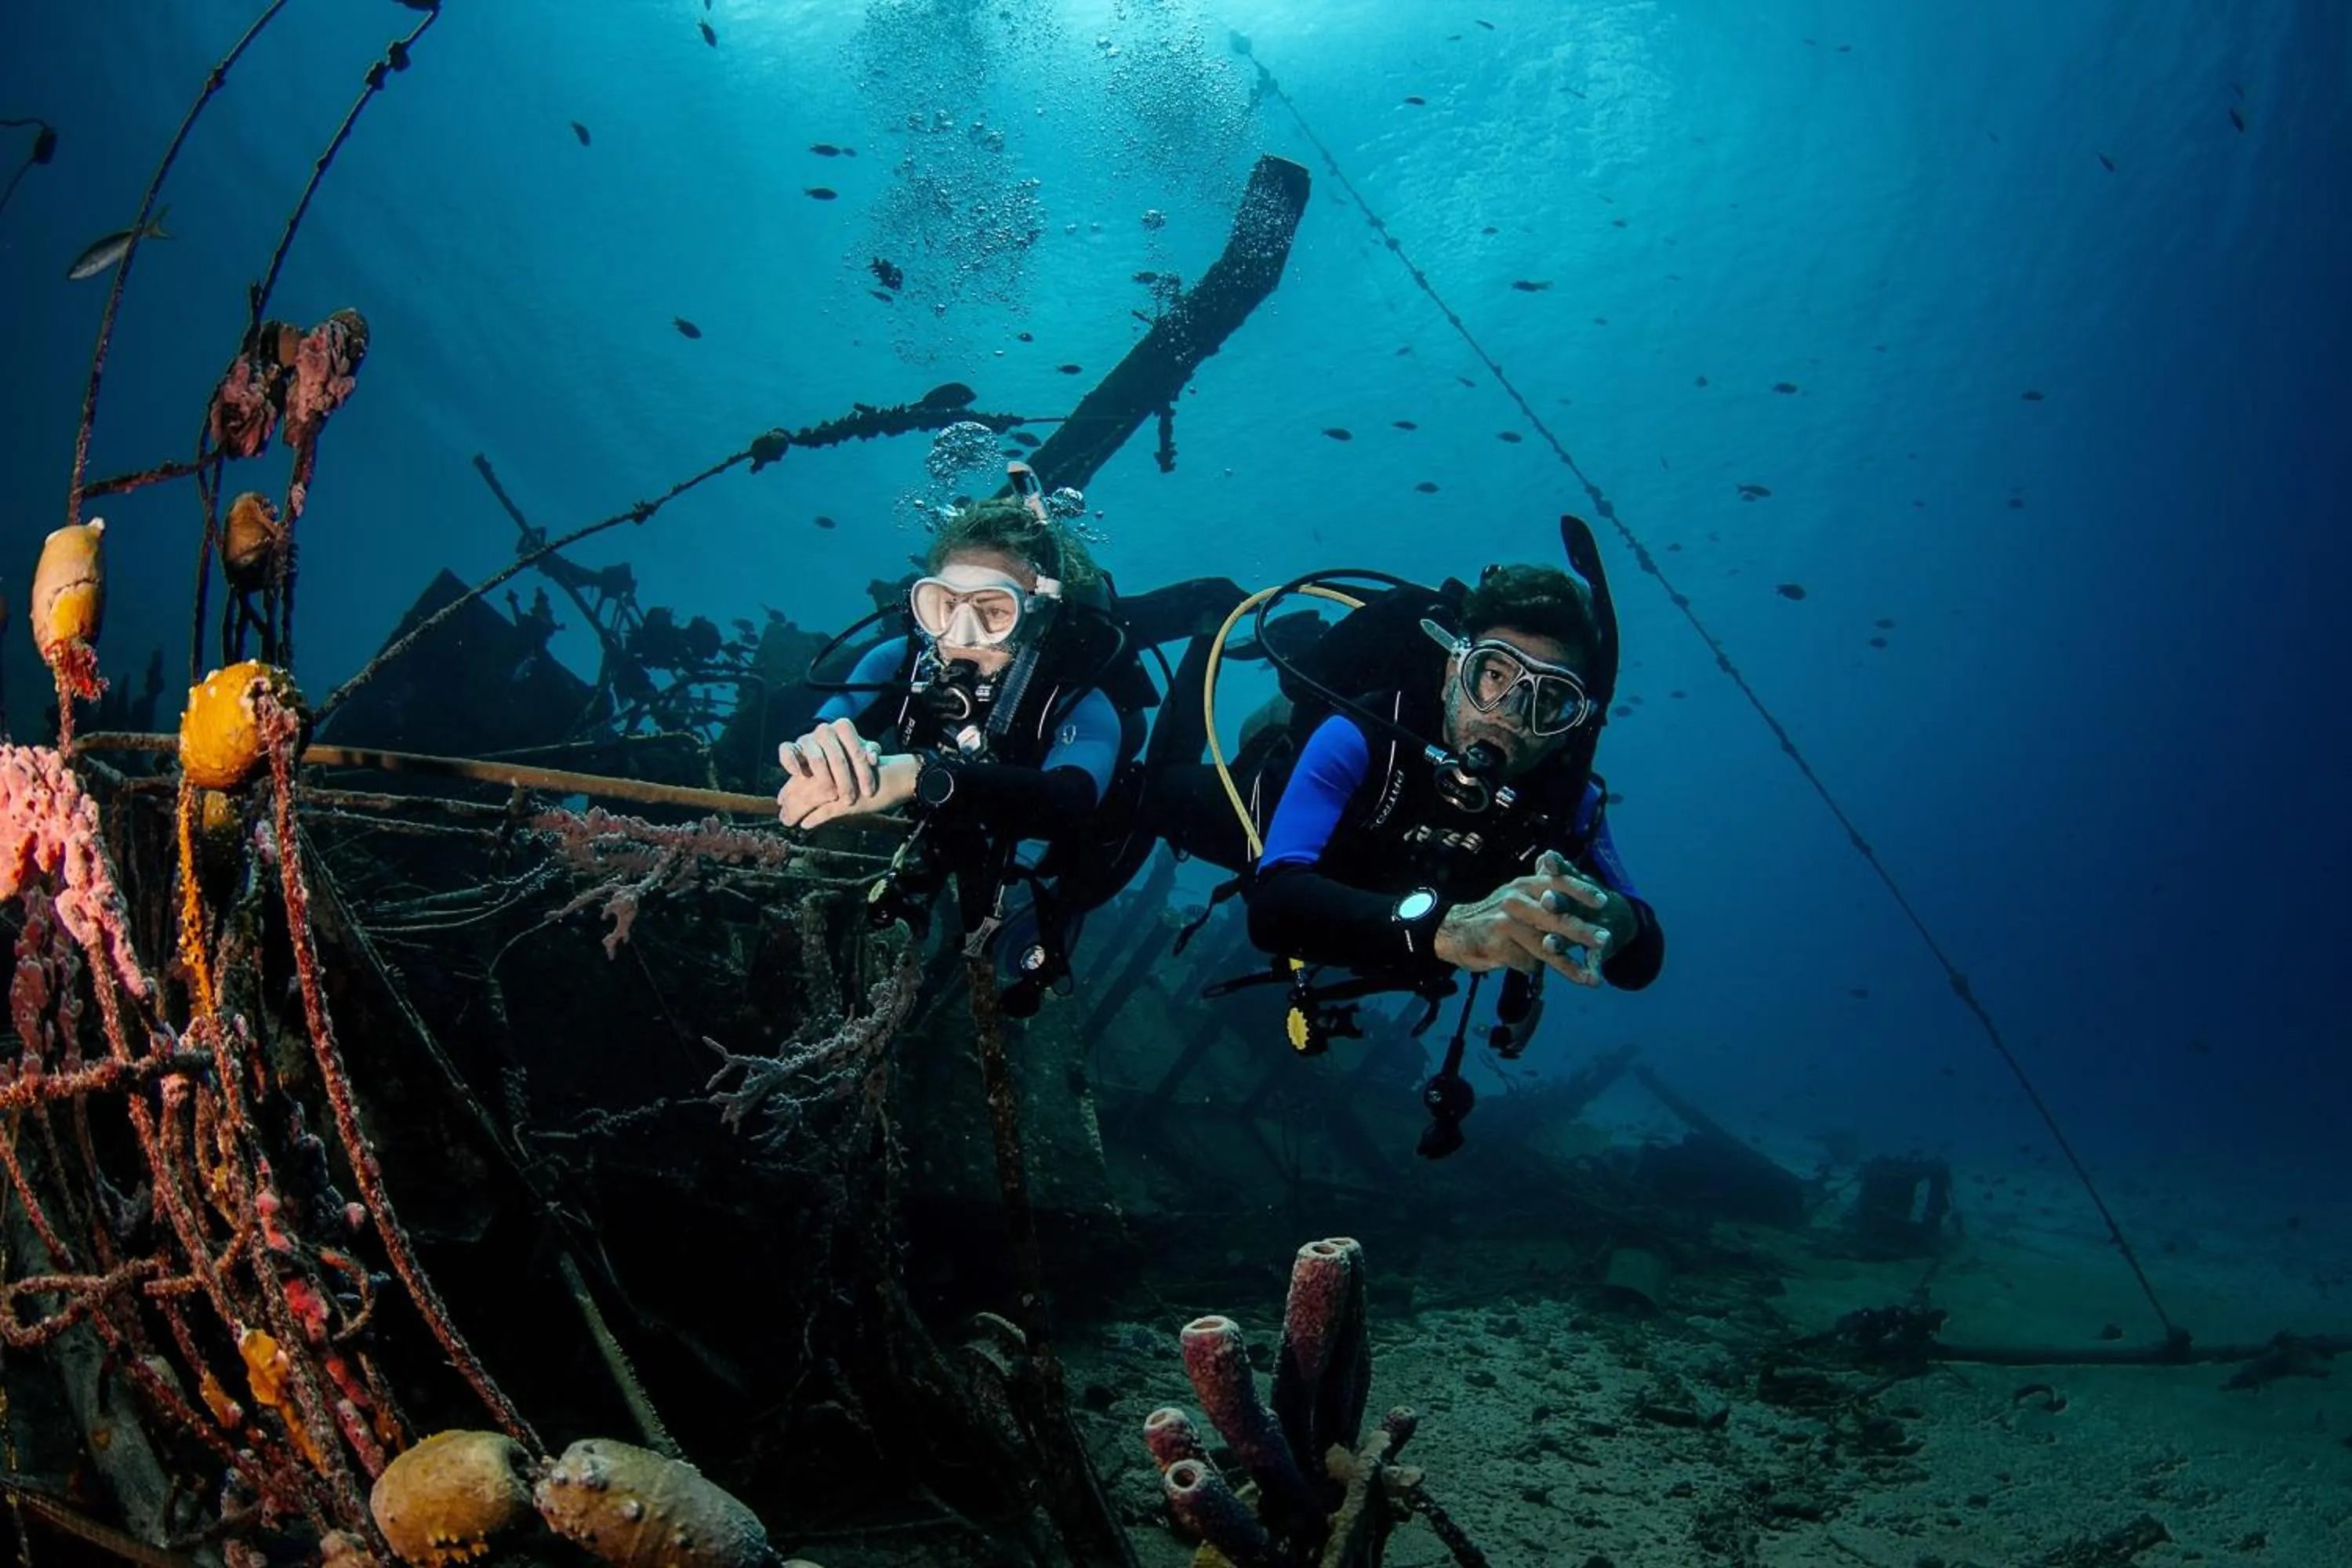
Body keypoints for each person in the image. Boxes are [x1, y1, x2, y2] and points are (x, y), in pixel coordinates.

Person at [1245, 561, 1665, 1000]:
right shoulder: (1365, 732)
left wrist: (1619, 921)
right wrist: (1449, 931)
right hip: (1263, 824)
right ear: (1452, 675)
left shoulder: (1567, 802)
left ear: (1568, 729)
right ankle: (1225, 636)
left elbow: (1642, 962)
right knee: (1171, 794)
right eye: (1495, 675)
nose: (1511, 714)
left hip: (1377, 927)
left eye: (1552, 698)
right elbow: (1273, 909)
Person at [776, 487, 1124, 1009]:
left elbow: (1069, 800)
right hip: (947, 811)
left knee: (1050, 904)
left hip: (1039, 836)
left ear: (1037, 615)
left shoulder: (1081, 701)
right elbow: (837, 712)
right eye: (943, 605)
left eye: (993, 611)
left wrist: (917, 775)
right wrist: (817, 746)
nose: (960, 635)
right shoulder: (900, 658)